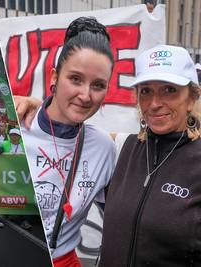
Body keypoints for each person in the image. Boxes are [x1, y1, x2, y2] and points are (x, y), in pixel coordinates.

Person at [15, 17, 116, 266]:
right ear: (54, 77)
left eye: (98, 85)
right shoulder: (16, 127)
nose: (85, 95)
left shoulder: (104, 147)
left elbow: (119, 224)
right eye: (75, 79)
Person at [99, 44, 201, 266]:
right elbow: (73, 133)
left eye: (169, 89)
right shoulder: (122, 148)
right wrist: (38, 107)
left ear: (192, 98)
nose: (154, 104)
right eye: (146, 91)